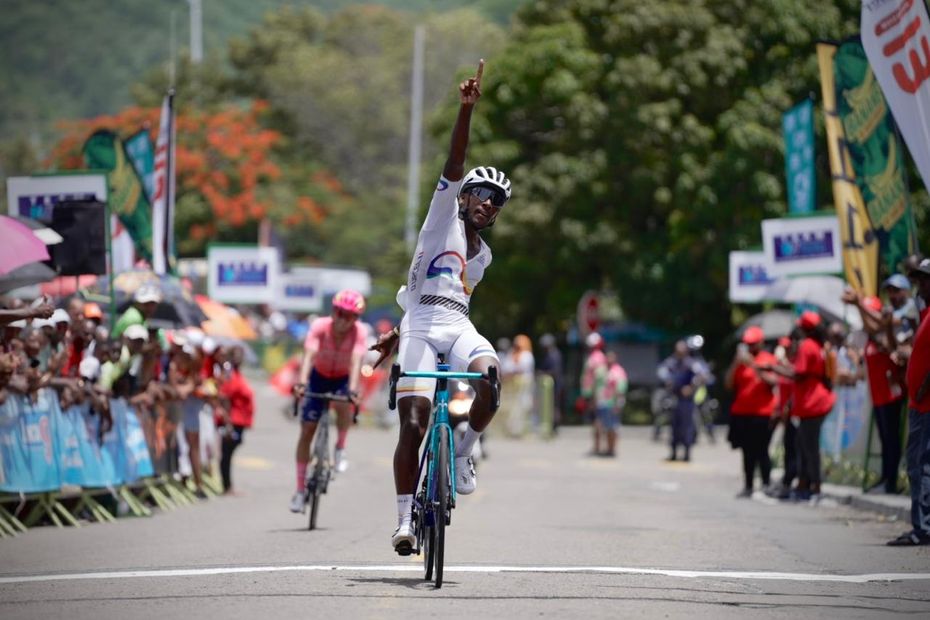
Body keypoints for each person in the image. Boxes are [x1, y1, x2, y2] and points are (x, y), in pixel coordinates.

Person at [369, 60, 511, 554]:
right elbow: (454, 161)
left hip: (458, 325)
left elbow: (456, 300)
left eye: (497, 202)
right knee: (414, 421)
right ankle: (405, 521)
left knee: (491, 379)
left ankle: (465, 454)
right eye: (483, 195)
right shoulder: (441, 218)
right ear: (466, 195)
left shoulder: (484, 256)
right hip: (422, 326)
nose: (489, 205)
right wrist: (465, 110)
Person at [290, 289, 367, 512]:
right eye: (339, 312)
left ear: (356, 318)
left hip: (343, 378)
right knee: (306, 431)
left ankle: (340, 448)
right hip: (318, 377)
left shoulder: (359, 333)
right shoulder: (319, 326)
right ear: (333, 311)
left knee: (345, 403)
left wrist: (353, 390)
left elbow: (355, 362)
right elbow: (308, 356)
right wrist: (302, 383)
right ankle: (299, 490)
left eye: (349, 316)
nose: (343, 319)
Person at [765, 311, 836, 500]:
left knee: (808, 447)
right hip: (815, 401)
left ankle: (815, 487)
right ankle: (804, 484)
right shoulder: (818, 345)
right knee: (802, 444)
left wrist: (774, 368)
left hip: (813, 403)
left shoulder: (807, 346)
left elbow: (799, 374)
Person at [888, 258, 930, 545]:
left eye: (924, 279)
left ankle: (924, 528)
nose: (919, 285)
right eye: (917, 280)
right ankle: (921, 525)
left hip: (925, 405)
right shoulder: (926, 313)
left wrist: (923, 387)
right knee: (916, 465)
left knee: (922, 467)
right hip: (919, 405)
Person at [725, 326, 777, 497]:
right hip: (742, 412)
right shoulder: (740, 362)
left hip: (763, 413)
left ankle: (766, 483)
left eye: (753, 344)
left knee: (762, 449)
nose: (750, 347)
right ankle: (748, 485)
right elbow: (728, 385)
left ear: (761, 343)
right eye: (748, 344)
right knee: (747, 451)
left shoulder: (767, 359)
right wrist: (735, 362)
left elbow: (773, 382)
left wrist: (753, 365)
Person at [657, 340, 708, 462]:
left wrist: (691, 387)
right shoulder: (672, 362)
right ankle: (674, 452)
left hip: (686, 400)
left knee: (687, 427)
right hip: (674, 398)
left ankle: (686, 453)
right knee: (674, 427)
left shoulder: (691, 363)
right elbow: (662, 371)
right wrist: (668, 381)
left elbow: (702, 375)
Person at [217, 345, 254, 495]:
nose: (239, 358)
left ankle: (228, 486)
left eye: (241, 355)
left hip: (240, 421)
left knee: (229, 452)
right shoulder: (229, 374)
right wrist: (228, 422)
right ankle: (227, 487)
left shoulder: (237, 373)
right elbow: (225, 397)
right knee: (226, 454)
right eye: (236, 355)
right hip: (232, 420)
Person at [580, 332, 609, 456]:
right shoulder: (595, 357)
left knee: (598, 420)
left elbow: (598, 378)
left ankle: (599, 446)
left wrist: (593, 395)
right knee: (596, 420)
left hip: (596, 395)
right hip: (595, 394)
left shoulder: (596, 358)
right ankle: (598, 446)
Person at [536, 333, 564, 431]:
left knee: (554, 406)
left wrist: (542, 373)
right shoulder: (547, 354)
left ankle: (554, 426)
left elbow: (555, 371)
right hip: (548, 386)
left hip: (555, 385)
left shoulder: (554, 355)